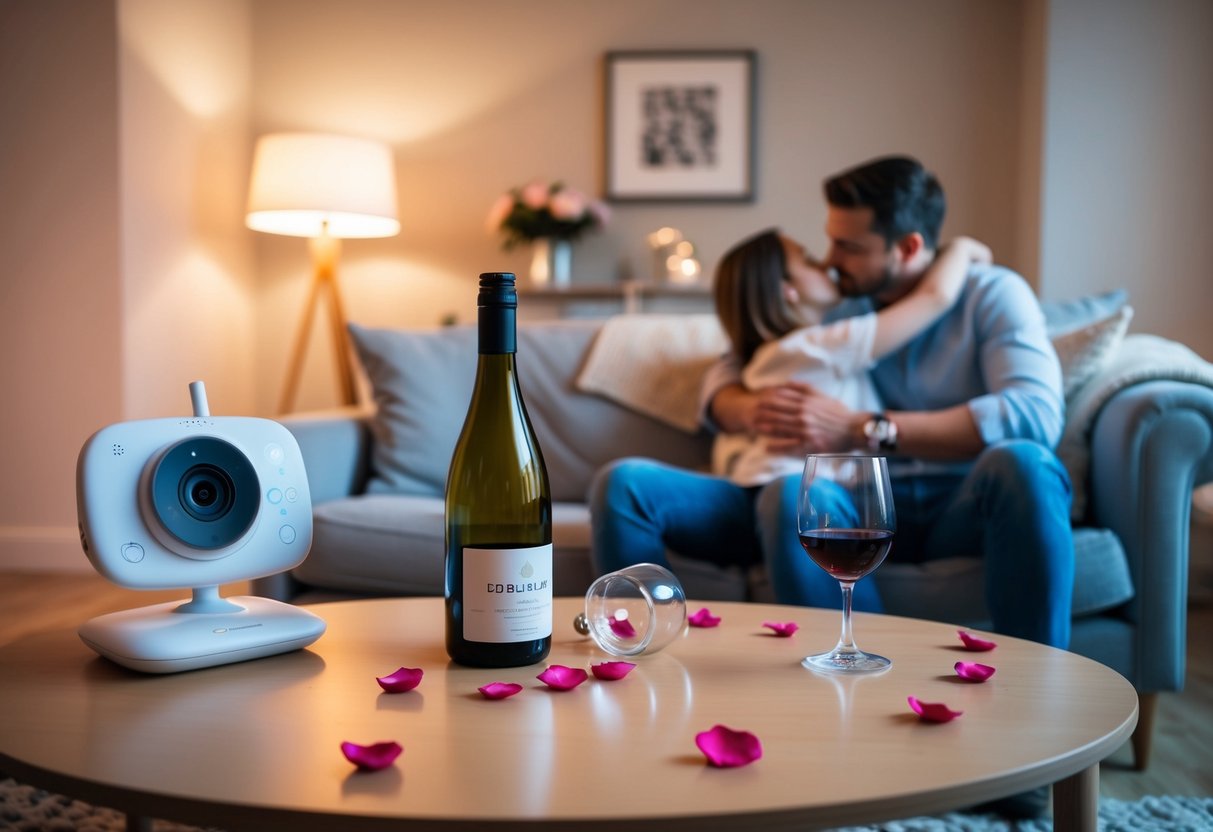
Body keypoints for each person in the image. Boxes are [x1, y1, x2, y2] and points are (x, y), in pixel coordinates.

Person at [591, 155, 1074, 651]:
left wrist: (866, 429)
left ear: (907, 248)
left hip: (957, 498)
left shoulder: (991, 294)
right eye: (829, 242)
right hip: (849, 500)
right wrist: (747, 408)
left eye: (849, 246)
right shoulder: (840, 299)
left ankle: (1039, 678)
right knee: (787, 493)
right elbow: (738, 358)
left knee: (1027, 463)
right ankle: (839, 668)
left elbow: (1035, 416)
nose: (831, 260)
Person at [590, 221, 992, 613]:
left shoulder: (789, 348)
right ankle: (644, 622)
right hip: (764, 498)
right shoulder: (819, 345)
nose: (829, 264)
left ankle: (640, 626)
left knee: (631, 481)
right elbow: (934, 298)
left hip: (793, 504)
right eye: (811, 261)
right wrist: (964, 248)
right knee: (627, 483)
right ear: (789, 290)